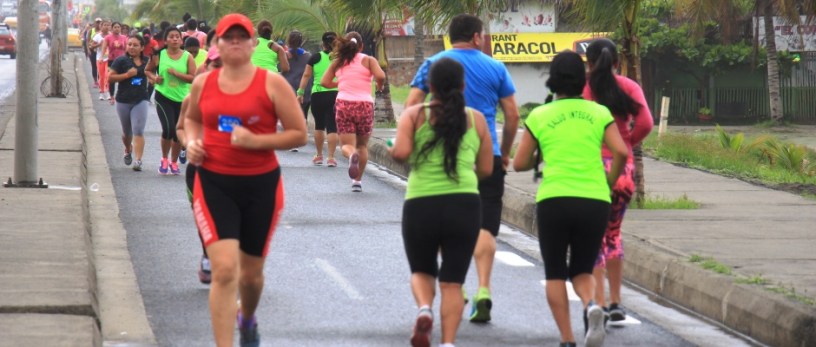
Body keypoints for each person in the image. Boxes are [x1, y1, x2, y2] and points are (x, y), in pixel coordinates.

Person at [184, 13, 307, 347]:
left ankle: (248, 319)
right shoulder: (203, 84)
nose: (235, 41)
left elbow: (300, 134)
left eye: (242, 36)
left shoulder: (272, 84)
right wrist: (192, 143)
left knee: (250, 277)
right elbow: (192, 121)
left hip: (261, 186)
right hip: (213, 183)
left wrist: (258, 141)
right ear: (217, 45)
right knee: (224, 271)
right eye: (228, 37)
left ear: (254, 44)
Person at [405, 13, 520, 322]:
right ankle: (483, 288)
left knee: (444, 220)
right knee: (484, 226)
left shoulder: (435, 63)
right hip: (486, 154)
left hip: (443, 154)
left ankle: (457, 286)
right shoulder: (495, 66)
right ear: (477, 37)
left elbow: (413, 102)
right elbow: (511, 115)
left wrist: (417, 136)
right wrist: (505, 152)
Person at [512, 50, 628, 347]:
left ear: (553, 81)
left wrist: (543, 153)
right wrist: (608, 182)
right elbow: (622, 152)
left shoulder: (539, 114)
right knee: (582, 269)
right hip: (594, 199)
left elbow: (520, 163)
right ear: (582, 80)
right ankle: (591, 305)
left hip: (554, 199)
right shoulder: (599, 112)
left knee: (554, 271)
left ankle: (567, 339)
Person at [390, 57, 493, 347]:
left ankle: (424, 308)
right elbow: (486, 169)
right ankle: (448, 342)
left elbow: (400, 153)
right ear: (462, 85)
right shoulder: (476, 119)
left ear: (430, 86)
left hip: (422, 202)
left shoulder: (414, 116)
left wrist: (400, 150)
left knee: (422, 271)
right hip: (465, 204)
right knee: (452, 282)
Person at [583, 38, 653, 323]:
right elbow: (646, 123)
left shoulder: (583, 89)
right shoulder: (629, 87)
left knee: (593, 238)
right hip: (622, 171)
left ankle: (598, 301)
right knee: (613, 235)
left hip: (591, 170)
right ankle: (615, 303)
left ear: (588, 63)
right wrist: (625, 142)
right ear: (616, 63)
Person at [176, 45, 222, 284]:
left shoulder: (251, 99)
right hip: (199, 169)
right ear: (207, 66)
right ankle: (207, 255)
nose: (222, 70)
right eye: (217, 65)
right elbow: (181, 128)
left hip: (235, 170)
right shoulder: (192, 98)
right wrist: (190, 144)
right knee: (204, 217)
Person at [320, 31, 385, 192]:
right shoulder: (369, 60)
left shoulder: (338, 62)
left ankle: (351, 156)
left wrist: (340, 84)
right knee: (362, 146)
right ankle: (357, 182)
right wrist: (379, 85)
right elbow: (381, 76)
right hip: (364, 105)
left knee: (347, 145)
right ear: (361, 46)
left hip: (344, 105)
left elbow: (324, 82)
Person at [145, 26, 196, 175]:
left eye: (177, 36)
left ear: (181, 40)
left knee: (177, 133)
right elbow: (147, 70)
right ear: (166, 40)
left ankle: (174, 162)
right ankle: (164, 159)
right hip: (163, 96)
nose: (174, 39)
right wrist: (154, 78)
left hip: (181, 98)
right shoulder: (159, 55)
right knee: (168, 129)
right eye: (171, 36)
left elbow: (193, 77)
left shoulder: (188, 56)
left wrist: (177, 73)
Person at [108, 34, 151, 171]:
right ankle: (128, 148)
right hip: (123, 100)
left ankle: (138, 160)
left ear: (142, 47)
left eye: (135, 45)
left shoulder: (147, 61)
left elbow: (154, 75)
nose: (132, 47)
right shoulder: (121, 60)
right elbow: (110, 78)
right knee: (127, 133)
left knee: (138, 129)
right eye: (130, 44)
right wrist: (127, 75)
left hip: (141, 99)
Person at [298, 32, 337, 166]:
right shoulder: (340, 59)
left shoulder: (315, 57)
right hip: (335, 94)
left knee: (319, 125)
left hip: (318, 95)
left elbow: (306, 75)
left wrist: (300, 92)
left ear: (323, 44)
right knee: (332, 126)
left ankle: (319, 155)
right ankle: (331, 158)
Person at [281, 30, 312, 156]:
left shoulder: (284, 55)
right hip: (304, 89)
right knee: (302, 114)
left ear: (288, 41)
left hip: (288, 89)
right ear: (301, 41)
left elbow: (281, 69)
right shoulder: (308, 56)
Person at [101, 22, 128, 104]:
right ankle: (112, 96)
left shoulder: (124, 37)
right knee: (111, 79)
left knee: (123, 78)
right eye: (115, 27)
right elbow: (104, 48)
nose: (117, 28)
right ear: (112, 28)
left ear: (121, 28)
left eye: (118, 27)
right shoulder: (108, 37)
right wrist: (104, 59)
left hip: (122, 61)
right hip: (111, 61)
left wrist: (129, 59)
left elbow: (127, 49)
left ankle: (121, 95)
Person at [91, 19, 111, 101]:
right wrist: (100, 44)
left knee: (108, 75)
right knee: (102, 76)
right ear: (101, 26)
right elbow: (92, 46)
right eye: (104, 25)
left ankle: (108, 92)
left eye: (108, 25)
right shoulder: (97, 36)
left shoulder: (111, 36)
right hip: (100, 58)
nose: (106, 27)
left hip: (109, 58)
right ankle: (102, 92)